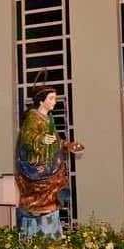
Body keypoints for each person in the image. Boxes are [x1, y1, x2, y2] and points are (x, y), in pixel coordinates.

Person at [15, 85, 84, 238]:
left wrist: (67, 145)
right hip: (37, 171)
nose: (54, 101)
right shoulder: (32, 118)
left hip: (50, 168)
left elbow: (55, 140)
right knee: (39, 202)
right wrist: (41, 140)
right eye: (51, 98)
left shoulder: (48, 119)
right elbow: (27, 140)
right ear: (41, 101)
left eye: (55, 98)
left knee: (51, 202)